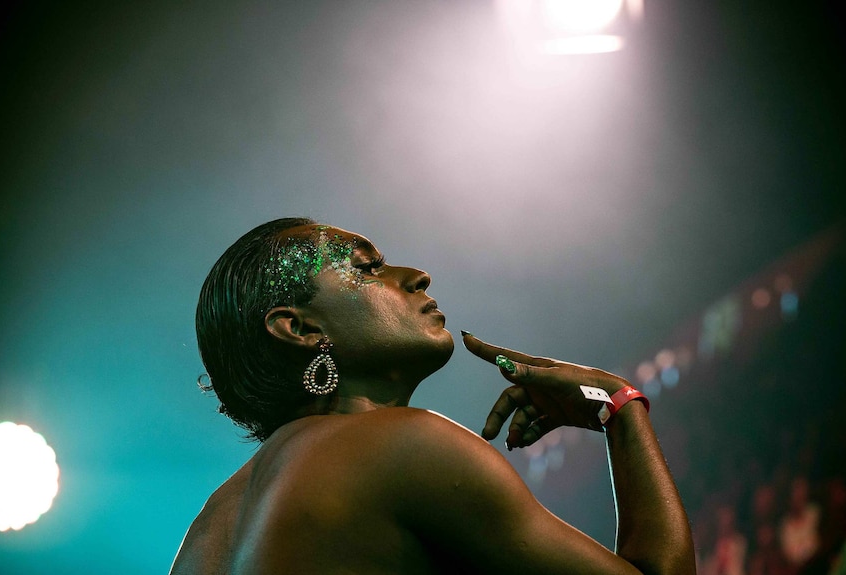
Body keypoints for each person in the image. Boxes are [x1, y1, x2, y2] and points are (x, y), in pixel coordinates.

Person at [169, 217, 696, 575]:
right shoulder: (401, 448)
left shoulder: (204, 536)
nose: (416, 275)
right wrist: (617, 404)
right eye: (367, 268)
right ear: (297, 327)